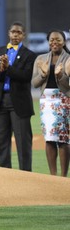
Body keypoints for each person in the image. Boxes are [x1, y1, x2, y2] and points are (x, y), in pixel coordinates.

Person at [0, 21, 36, 171]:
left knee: (23, 143)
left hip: (19, 103)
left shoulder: (29, 55)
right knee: (2, 144)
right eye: (13, 31)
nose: (15, 34)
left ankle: (26, 175)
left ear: (23, 35)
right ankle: (6, 176)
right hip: (0, 102)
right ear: (9, 33)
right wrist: (1, 70)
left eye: (19, 32)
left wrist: (8, 68)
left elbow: (26, 76)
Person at [32, 30, 70, 177]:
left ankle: (63, 177)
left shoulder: (68, 59)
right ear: (48, 42)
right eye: (52, 40)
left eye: (58, 40)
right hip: (46, 103)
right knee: (49, 138)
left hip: (63, 101)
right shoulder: (41, 59)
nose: (54, 42)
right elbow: (34, 83)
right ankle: (52, 176)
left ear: (64, 42)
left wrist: (60, 76)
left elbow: (67, 86)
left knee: (63, 139)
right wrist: (43, 74)